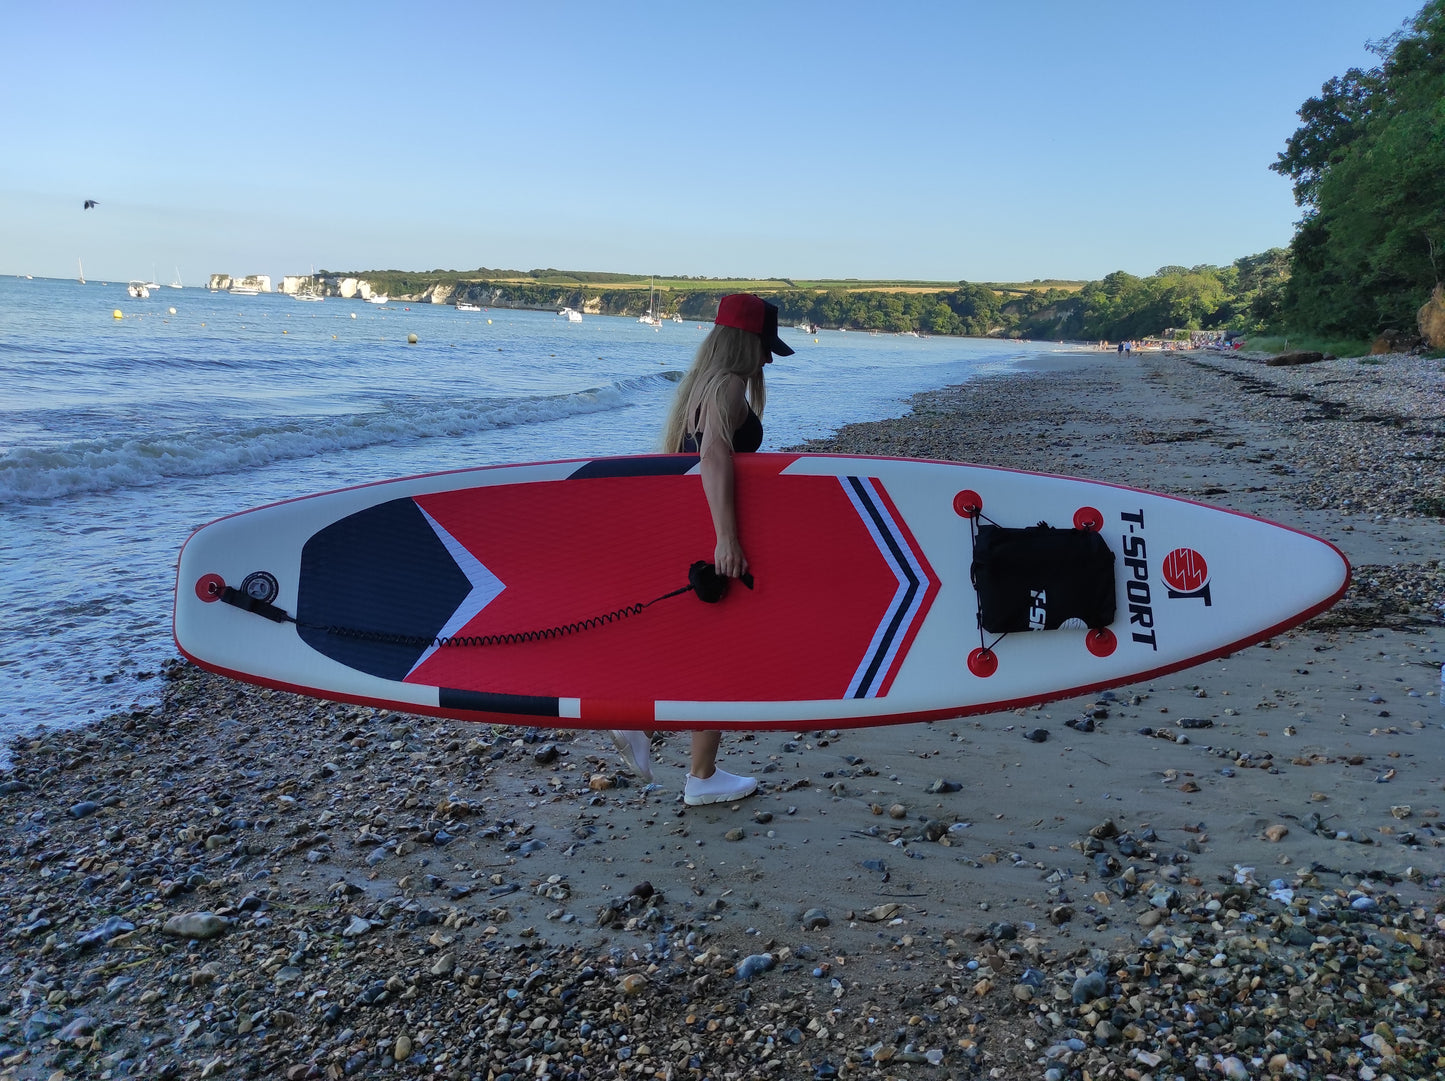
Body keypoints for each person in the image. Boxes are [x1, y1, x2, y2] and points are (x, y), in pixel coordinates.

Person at [611, 294, 794, 805]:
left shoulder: (697, 387)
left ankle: (685, 761)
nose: (766, 361)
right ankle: (683, 762)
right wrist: (727, 538)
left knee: (706, 644)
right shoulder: (731, 386)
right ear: (744, 342)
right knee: (721, 651)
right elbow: (713, 456)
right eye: (763, 348)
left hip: (691, 528)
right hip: (713, 534)